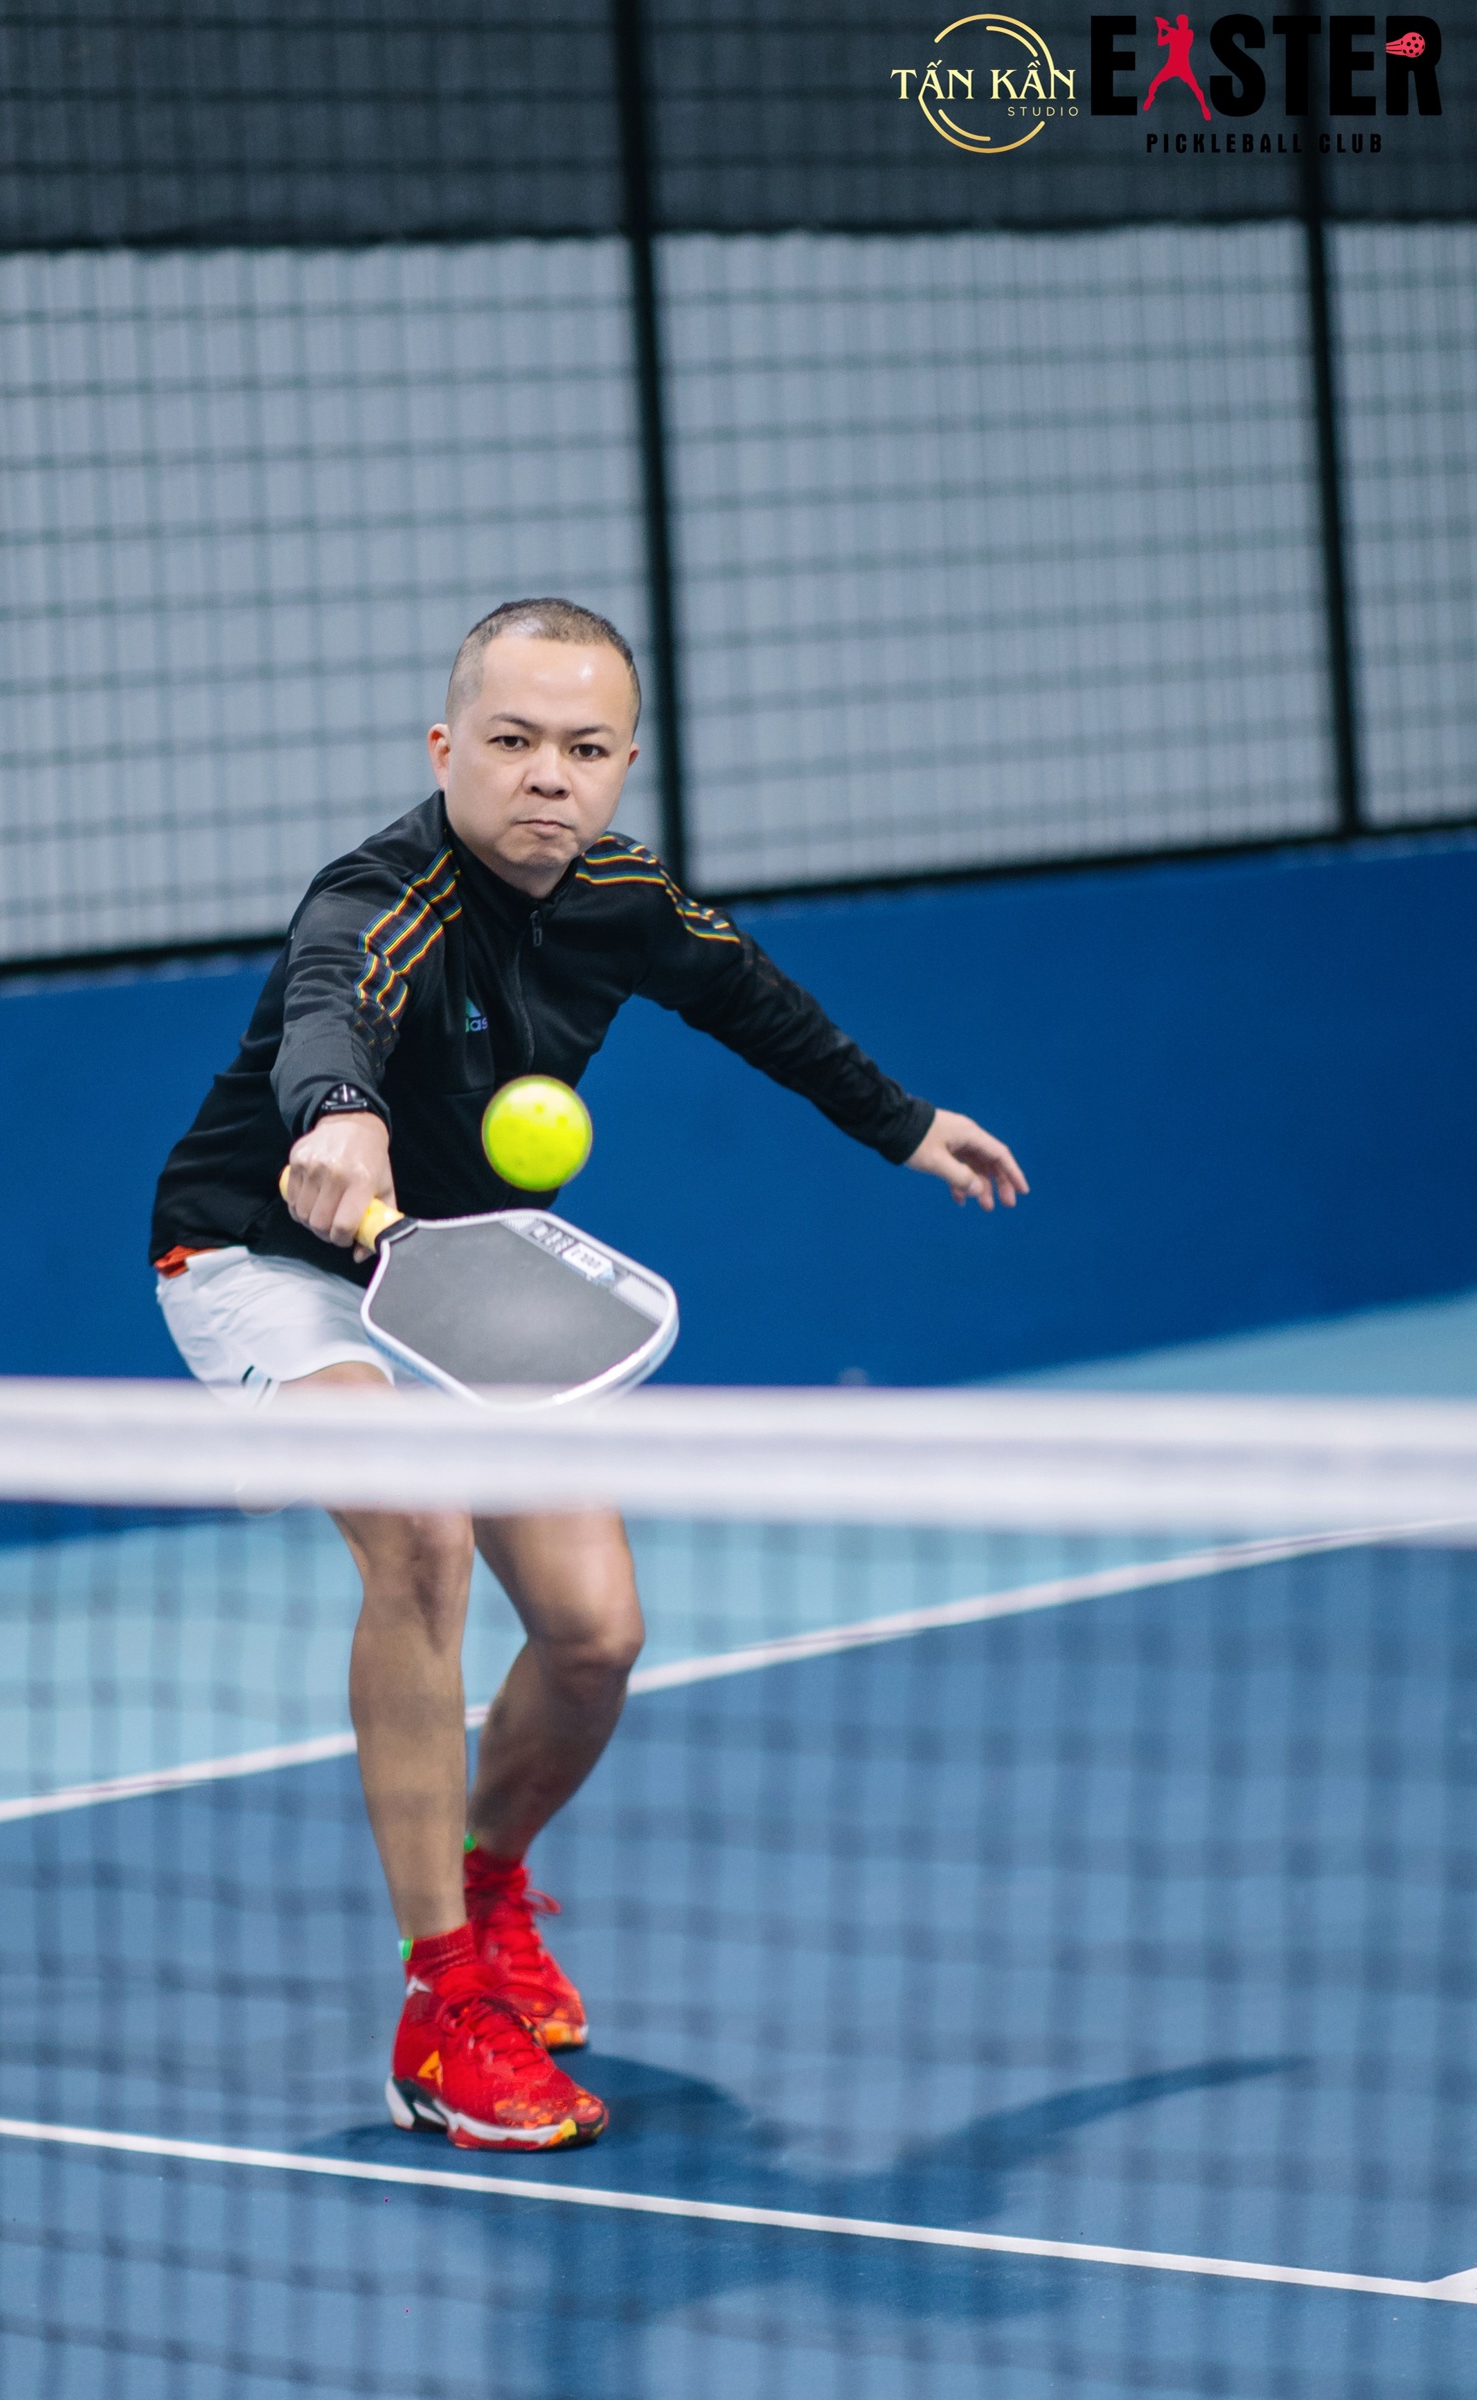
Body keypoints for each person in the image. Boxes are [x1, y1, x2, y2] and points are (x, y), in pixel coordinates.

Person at [150, 597, 1028, 2154]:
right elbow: (331, 999)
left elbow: (756, 1001)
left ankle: (488, 1886)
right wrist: (338, 1112)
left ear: (624, 763)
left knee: (594, 1636)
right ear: (447, 747)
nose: (546, 775)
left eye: (584, 747)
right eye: (511, 740)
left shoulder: (624, 897)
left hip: (470, 1267)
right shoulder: (382, 895)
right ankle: (440, 2008)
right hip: (274, 1256)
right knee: (420, 1540)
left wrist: (902, 1123)